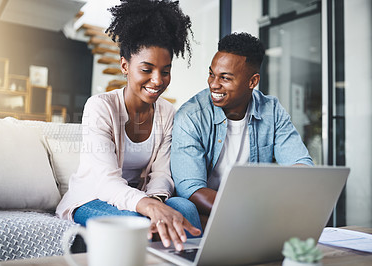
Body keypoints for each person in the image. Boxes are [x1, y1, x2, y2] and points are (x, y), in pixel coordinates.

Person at [56, 0, 201, 251]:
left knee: (186, 208)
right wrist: (147, 207)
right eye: (147, 69)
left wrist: (155, 201)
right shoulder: (100, 107)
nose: (157, 80)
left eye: (165, 71)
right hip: (93, 197)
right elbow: (104, 181)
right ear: (125, 66)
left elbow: (162, 173)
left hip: (142, 197)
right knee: (133, 222)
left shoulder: (168, 113)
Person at [170, 32, 314, 229]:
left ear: (252, 82)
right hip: (210, 208)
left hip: (255, 208)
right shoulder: (191, 115)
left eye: (225, 78)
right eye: (211, 73)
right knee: (182, 206)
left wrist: (284, 196)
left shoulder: (271, 110)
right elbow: (191, 188)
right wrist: (245, 211)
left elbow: (300, 163)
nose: (213, 84)